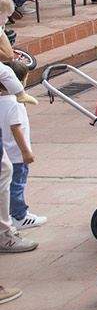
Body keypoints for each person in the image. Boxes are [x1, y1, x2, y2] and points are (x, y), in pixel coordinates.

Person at [2, 70, 38, 229]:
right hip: (17, 154)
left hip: (5, 153)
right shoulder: (15, 103)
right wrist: (26, 151)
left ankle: (11, 213)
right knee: (17, 185)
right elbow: (16, 128)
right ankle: (19, 216)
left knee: (8, 185)